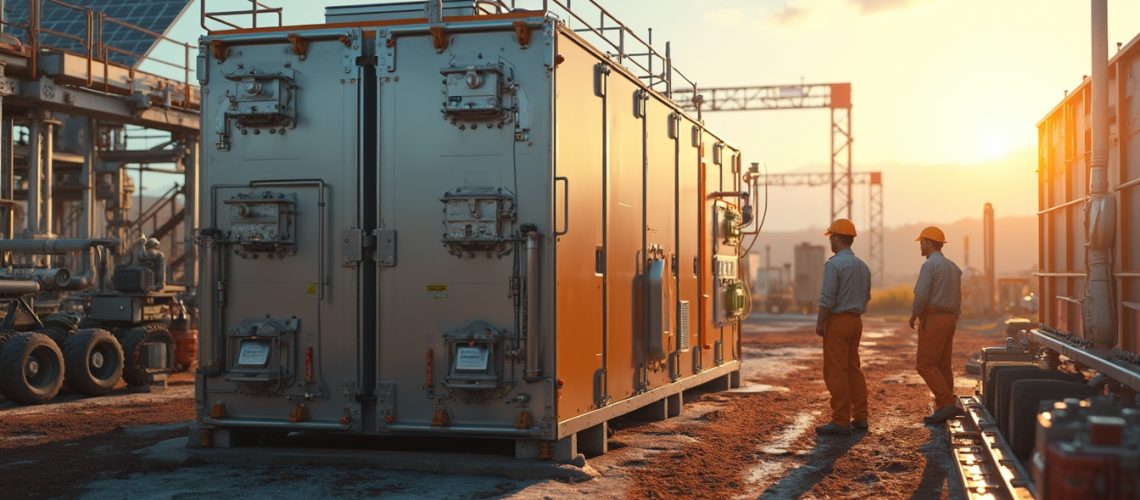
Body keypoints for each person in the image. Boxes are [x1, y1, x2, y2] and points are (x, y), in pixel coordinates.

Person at [815, 218, 872, 436]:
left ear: (837, 238)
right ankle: (860, 417)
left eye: (831, 236)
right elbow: (866, 296)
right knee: (853, 369)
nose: (830, 240)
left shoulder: (834, 265)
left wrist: (821, 321)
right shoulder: (863, 266)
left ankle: (840, 420)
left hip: (838, 322)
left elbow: (827, 297)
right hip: (856, 321)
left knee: (836, 371)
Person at [909, 226, 963, 424]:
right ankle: (944, 406)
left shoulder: (930, 266)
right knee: (942, 364)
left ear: (929, 243)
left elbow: (922, 294)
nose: (920, 246)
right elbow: (958, 297)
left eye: (922, 242)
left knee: (925, 364)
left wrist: (914, 314)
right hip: (949, 318)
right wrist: (954, 317)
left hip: (934, 317)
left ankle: (947, 403)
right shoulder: (953, 267)